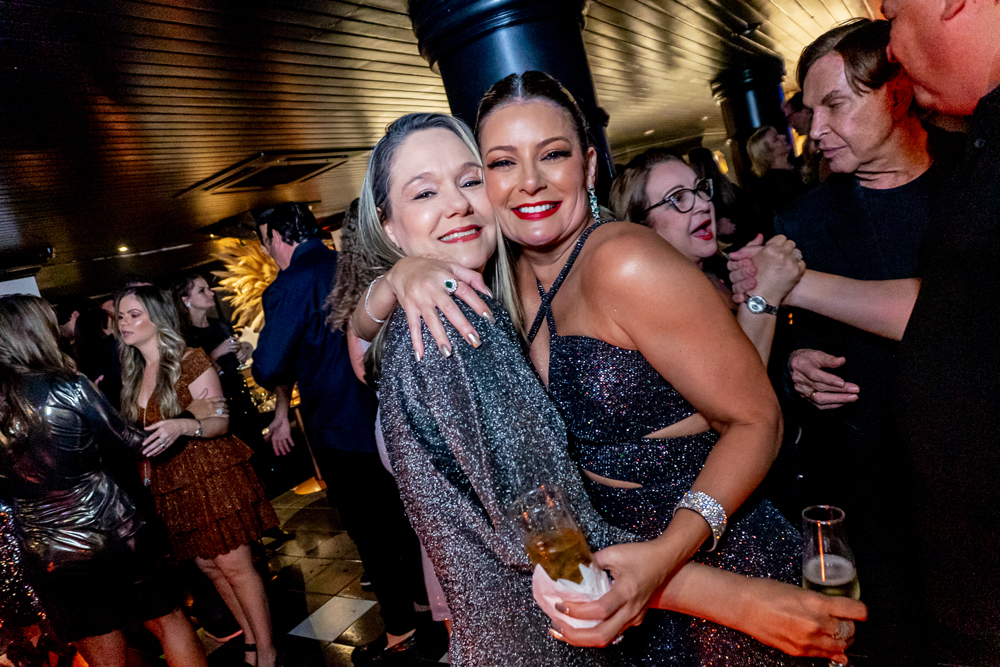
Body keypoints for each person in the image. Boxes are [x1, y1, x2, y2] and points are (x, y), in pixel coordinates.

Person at [355, 110, 864, 665]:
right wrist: (740, 601)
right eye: (424, 192)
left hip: (646, 577)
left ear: (590, 165)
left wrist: (394, 281)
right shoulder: (453, 320)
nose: (457, 203)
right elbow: (541, 528)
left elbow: (751, 415)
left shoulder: (478, 295)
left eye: (470, 180)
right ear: (387, 224)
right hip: (562, 625)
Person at [728, 1, 1000, 659]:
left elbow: (959, 313)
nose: (814, 129)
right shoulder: (802, 221)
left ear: (895, 94)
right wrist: (794, 364)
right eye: (809, 110)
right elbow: (769, 357)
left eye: (836, 105)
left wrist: (788, 284)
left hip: (975, 500)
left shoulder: (970, 175)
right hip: (865, 499)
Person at [249, 203, 432, 664]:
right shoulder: (354, 263)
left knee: (370, 532)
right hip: (387, 415)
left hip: (339, 427)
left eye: (265, 241)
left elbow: (268, 364)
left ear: (276, 237)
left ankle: (401, 630)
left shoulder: (290, 285)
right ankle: (426, 609)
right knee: (405, 520)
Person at [0, 294, 207, 667]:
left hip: (50, 553)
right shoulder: (66, 385)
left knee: (103, 649)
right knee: (167, 620)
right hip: (113, 533)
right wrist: (190, 419)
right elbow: (136, 444)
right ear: (33, 333)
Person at [116, 285, 279, 667]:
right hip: (172, 482)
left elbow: (220, 421)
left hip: (209, 471)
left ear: (158, 318)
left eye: (134, 315)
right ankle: (251, 639)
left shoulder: (189, 359)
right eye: (120, 316)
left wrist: (181, 426)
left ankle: (268, 651)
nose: (124, 323)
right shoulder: (134, 373)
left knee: (235, 566)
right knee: (209, 567)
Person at [609, 147, 805, 361]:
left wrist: (794, 360)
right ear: (643, 228)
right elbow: (734, 380)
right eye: (677, 198)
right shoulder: (659, 311)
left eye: (699, 189)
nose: (703, 204)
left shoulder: (727, 269)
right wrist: (761, 298)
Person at [747, 126, 808, 225]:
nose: (783, 136)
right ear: (767, 153)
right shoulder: (773, 185)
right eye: (776, 139)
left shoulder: (796, 165)